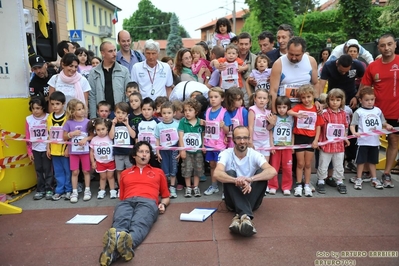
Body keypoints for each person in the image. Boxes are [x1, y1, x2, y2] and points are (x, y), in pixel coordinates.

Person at [99, 141, 170, 266]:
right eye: (141, 152)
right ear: (134, 155)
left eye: (147, 152)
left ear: (150, 156)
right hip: (126, 201)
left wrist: (163, 204)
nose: (144, 155)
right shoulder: (125, 173)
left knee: (139, 224)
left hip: (148, 202)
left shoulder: (158, 172)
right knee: (120, 222)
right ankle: (119, 246)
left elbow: (165, 196)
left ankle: (112, 253)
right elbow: (122, 197)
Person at [213, 126, 277, 237]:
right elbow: (217, 173)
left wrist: (250, 179)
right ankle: (246, 216)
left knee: (262, 172)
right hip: (232, 201)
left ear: (249, 139)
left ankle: (240, 216)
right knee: (229, 173)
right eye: (238, 138)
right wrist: (236, 180)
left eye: (245, 138)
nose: (242, 141)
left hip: (252, 195)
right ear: (233, 139)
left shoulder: (255, 154)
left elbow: (272, 171)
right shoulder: (225, 153)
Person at [358, 33, 399, 188]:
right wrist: (357, 98)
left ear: (395, 44)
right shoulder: (373, 66)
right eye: (383, 45)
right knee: (369, 140)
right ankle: (369, 171)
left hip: (396, 111)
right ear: (378, 47)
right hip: (374, 112)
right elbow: (364, 88)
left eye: (389, 44)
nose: (386, 48)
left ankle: (387, 173)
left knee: (393, 141)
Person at [350, 87, 393, 190]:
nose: (370, 102)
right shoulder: (359, 112)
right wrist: (354, 132)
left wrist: (387, 126)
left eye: (372, 99)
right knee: (360, 161)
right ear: (360, 100)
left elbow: (383, 122)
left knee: (373, 161)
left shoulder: (378, 111)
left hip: (375, 142)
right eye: (367, 100)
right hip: (363, 142)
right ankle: (359, 178)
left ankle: (374, 178)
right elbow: (352, 125)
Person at [287, 85, 324, 197]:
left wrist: (316, 140)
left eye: (308, 97)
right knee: (300, 163)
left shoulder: (316, 109)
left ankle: (307, 184)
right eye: (303, 97)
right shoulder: (298, 107)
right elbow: (289, 112)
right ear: (300, 99)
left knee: (308, 164)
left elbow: (318, 126)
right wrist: (296, 114)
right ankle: (298, 185)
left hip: (311, 139)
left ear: (313, 96)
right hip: (299, 137)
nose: (306, 100)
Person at [269, 36, 320, 114]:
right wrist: (274, 112)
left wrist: (316, 100)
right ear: (287, 50)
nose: (293, 58)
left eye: (297, 55)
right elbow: (273, 90)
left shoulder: (311, 61)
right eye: (291, 54)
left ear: (303, 52)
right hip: (285, 108)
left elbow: (315, 83)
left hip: (305, 106)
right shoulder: (278, 63)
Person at [316, 89, 349, 195]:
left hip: (339, 145)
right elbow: (320, 128)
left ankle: (339, 180)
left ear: (342, 101)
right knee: (323, 163)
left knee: (339, 164)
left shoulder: (344, 113)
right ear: (328, 100)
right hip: (326, 144)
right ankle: (321, 180)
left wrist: (346, 138)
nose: (335, 102)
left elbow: (345, 127)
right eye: (332, 99)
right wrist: (318, 141)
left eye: (338, 100)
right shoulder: (324, 114)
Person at [88, 41, 131, 119]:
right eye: (110, 51)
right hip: (102, 115)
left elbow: (127, 94)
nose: (114, 54)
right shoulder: (93, 72)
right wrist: (93, 118)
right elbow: (92, 97)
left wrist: (125, 113)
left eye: (115, 50)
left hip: (119, 114)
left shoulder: (124, 71)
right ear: (103, 53)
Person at [63, 99, 92, 203]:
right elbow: (64, 136)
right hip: (73, 152)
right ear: (72, 111)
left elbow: (92, 135)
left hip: (85, 151)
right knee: (75, 172)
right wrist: (72, 134)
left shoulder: (88, 122)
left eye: (82, 108)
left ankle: (87, 190)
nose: (82, 111)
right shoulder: (69, 123)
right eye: (78, 109)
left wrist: (86, 139)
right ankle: (74, 191)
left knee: (86, 171)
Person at [203, 87, 231, 196]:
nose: (213, 99)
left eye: (216, 97)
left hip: (220, 145)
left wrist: (223, 126)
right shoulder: (208, 111)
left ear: (222, 98)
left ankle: (225, 188)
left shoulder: (224, 113)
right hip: (209, 143)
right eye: (211, 97)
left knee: (222, 166)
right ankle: (214, 185)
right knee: (212, 165)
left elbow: (228, 130)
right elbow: (207, 127)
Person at [46, 91, 71, 201]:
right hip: (54, 150)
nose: (55, 106)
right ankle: (59, 190)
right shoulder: (50, 117)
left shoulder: (67, 117)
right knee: (58, 171)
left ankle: (69, 189)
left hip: (64, 150)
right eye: (52, 104)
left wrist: (67, 148)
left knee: (67, 171)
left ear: (63, 104)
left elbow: (69, 135)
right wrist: (48, 147)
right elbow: (49, 133)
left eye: (57, 104)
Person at [26, 96, 52, 200]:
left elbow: (51, 133)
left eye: (38, 108)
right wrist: (29, 152)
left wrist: (49, 147)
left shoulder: (48, 117)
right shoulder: (28, 119)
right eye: (33, 108)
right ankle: (40, 190)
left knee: (48, 169)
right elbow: (27, 136)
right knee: (38, 169)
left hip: (46, 148)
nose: (35, 111)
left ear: (43, 108)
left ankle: (49, 188)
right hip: (35, 149)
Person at [178, 98, 205, 197]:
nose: (187, 113)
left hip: (197, 150)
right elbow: (180, 136)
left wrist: (203, 145)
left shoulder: (200, 122)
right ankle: (188, 187)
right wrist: (182, 150)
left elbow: (203, 134)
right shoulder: (182, 122)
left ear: (196, 112)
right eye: (185, 110)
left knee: (198, 169)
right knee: (187, 169)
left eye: (190, 110)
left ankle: (196, 187)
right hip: (187, 151)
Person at [269, 96, 294, 196]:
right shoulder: (274, 117)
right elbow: (270, 132)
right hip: (276, 146)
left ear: (288, 107)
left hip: (287, 147)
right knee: (274, 167)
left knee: (287, 167)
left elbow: (293, 132)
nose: (281, 110)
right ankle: (272, 186)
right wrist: (271, 145)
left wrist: (292, 145)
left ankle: (286, 187)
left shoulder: (291, 118)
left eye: (284, 107)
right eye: (279, 107)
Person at [109, 102, 136, 193]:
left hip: (128, 152)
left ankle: (130, 187)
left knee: (129, 170)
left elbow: (133, 135)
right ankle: (121, 188)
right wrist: (113, 125)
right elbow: (111, 137)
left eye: (123, 113)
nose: (120, 115)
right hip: (118, 152)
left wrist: (127, 125)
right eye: (118, 112)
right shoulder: (113, 124)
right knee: (119, 171)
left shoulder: (130, 122)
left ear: (127, 114)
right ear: (114, 113)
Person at [154, 101, 180, 198]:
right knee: (164, 170)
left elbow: (180, 139)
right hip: (163, 150)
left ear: (174, 113)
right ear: (161, 113)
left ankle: (172, 187)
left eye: (169, 113)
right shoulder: (159, 126)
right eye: (164, 113)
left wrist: (180, 151)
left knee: (173, 169)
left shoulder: (177, 125)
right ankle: (165, 188)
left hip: (174, 150)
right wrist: (157, 151)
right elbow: (157, 139)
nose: (166, 115)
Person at [89, 118, 117, 199]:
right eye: (98, 130)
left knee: (110, 176)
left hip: (110, 161)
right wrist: (93, 162)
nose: (101, 131)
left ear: (107, 128)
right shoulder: (94, 139)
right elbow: (91, 151)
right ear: (95, 130)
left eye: (103, 129)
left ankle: (112, 190)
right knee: (102, 177)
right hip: (100, 162)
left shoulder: (110, 138)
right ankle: (102, 190)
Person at [248, 88, 274, 161]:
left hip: (265, 140)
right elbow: (250, 126)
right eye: (259, 98)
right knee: (255, 162)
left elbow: (268, 129)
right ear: (255, 99)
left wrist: (272, 124)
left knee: (265, 163)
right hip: (255, 140)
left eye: (264, 98)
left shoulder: (268, 112)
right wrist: (250, 140)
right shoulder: (252, 110)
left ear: (267, 100)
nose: (262, 100)